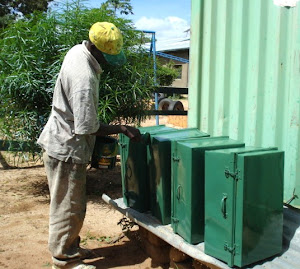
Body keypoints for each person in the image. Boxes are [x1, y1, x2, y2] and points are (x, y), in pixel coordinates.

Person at [37, 22, 141, 269]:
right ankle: (65, 260)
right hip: (67, 148)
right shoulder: (84, 77)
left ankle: (69, 247)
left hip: (59, 139)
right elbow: (86, 126)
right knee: (69, 206)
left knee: (67, 203)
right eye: (106, 56)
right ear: (96, 49)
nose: (106, 61)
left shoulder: (77, 50)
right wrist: (121, 128)